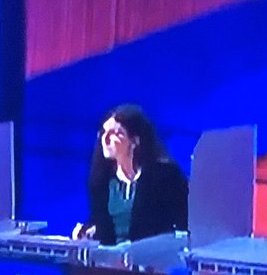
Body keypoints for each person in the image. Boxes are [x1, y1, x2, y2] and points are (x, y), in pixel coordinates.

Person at [73, 104, 188, 244]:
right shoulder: (101, 181)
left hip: (152, 254)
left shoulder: (165, 175)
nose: (105, 139)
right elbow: (102, 226)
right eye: (103, 132)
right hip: (111, 256)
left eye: (115, 133)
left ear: (135, 140)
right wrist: (88, 232)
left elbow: (185, 221)